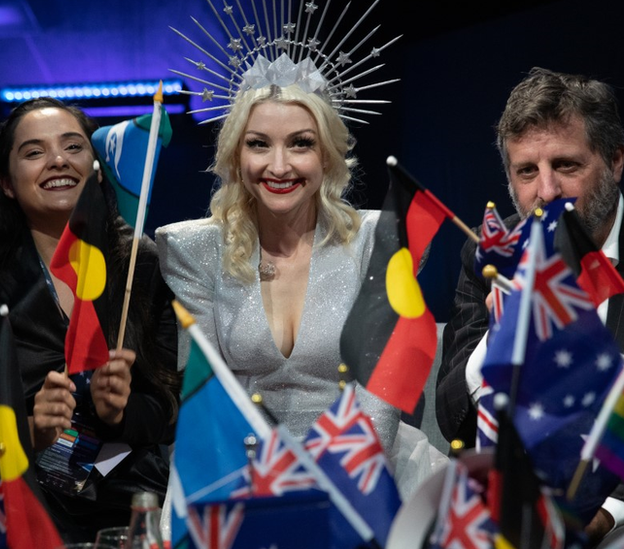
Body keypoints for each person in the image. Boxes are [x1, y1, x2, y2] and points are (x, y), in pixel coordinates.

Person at [435, 67, 624, 541]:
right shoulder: (487, 254)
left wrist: (598, 517)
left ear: (616, 160)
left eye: (566, 165)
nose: (546, 192)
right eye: (527, 171)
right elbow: (451, 411)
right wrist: (502, 338)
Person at [156, 83, 446, 497]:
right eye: (259, 144)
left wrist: (337, 508)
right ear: (236, 157)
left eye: (300, 144)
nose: (279, 165)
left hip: (362, 475)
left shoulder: (381, 240)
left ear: (326, 156)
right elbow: (207, 400)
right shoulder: (195, 251)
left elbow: (378, 395)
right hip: (242, 475)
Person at [0, 97, 180, 542]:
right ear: (7, 182)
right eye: (34, 151)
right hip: (16, 493)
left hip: (126, 492)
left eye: (73, 147)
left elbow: (166, 408)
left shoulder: (144, 265)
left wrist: (116, 412)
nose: (58, 160)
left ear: (96, 166)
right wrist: (30, 430)